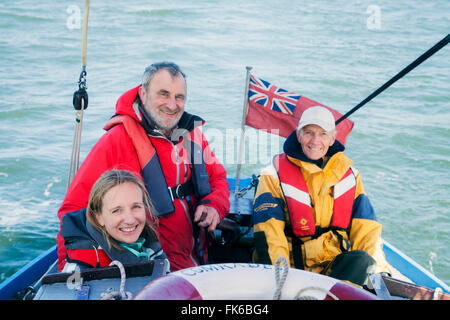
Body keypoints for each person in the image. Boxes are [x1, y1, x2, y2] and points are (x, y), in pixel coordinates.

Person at [57, 62, 230, 272]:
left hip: (200, 257)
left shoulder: (192, 134)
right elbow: (73, 214)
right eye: (163, 94)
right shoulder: (116, 141)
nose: (172, 105)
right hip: (154, 267)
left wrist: (214, 205)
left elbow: (217, 178)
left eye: (179, 97)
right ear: (143, 93)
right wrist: (68, 275)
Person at [252, 106, 392, 286]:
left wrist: (380, 272)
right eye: (308, 132)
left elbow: (367, 231)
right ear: (299, 135)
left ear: (333, 138)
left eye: (323, 134)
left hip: (334, 267)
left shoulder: (351, 176)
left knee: (363, 260)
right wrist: (282, 281)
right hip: (293, 269)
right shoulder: (272, 175)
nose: (315, 140)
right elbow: (269, 233)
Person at [60, 169, 169, 272]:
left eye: (136, 207)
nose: (130, 220)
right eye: (116, 210)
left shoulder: (149, 244)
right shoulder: (80, 266)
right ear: (99, 218)